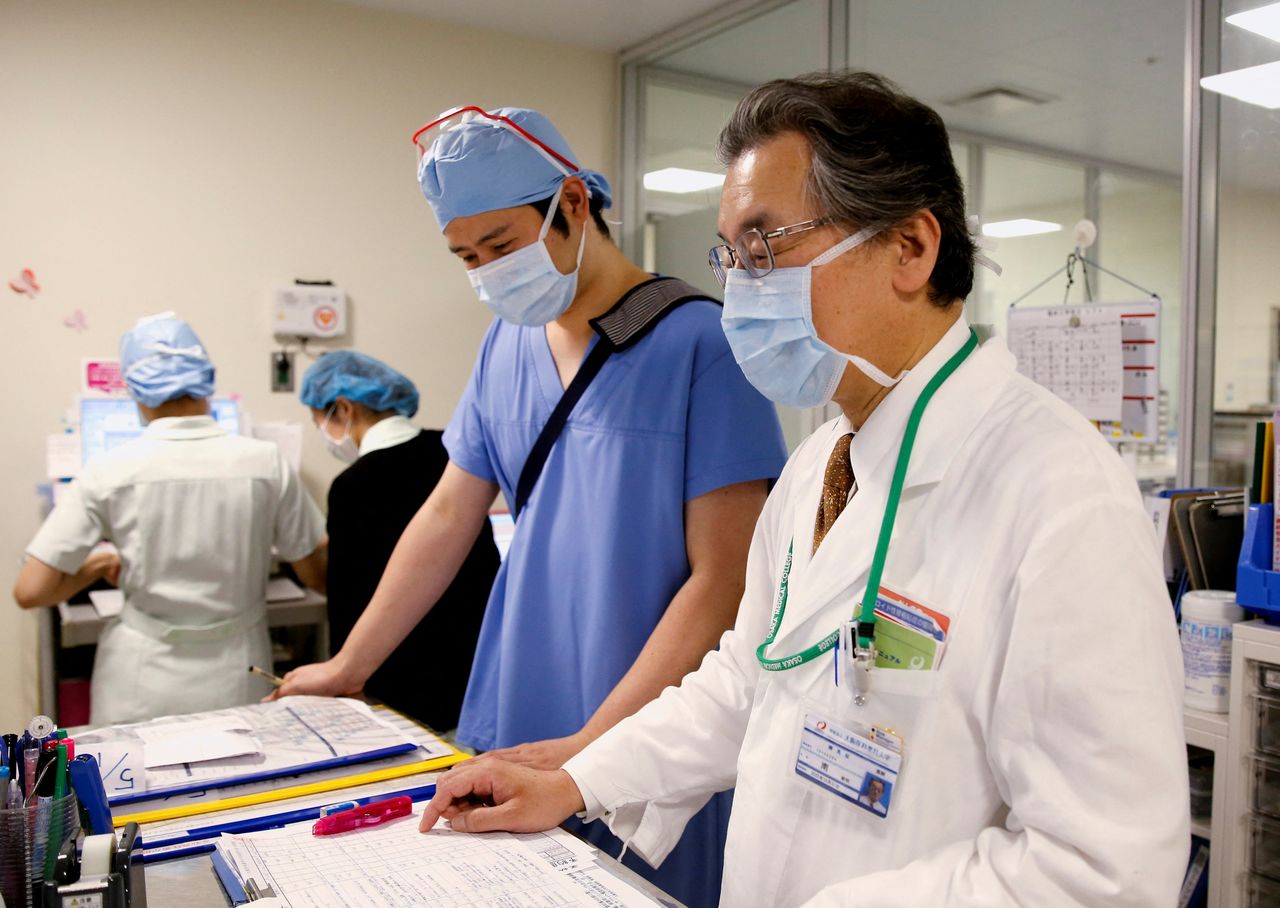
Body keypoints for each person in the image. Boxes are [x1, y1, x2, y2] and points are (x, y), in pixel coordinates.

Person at [415, 73, 1189, 907]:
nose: (742, 288)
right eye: (732, 256)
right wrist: (579, 780)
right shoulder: (822, 463)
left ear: (910, 248)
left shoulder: (1060, 496)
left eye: (765, 247)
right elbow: (748, 679)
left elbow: (1104, 870)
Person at [275, 105, 788, 906]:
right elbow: (448, 517)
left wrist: (593, 750)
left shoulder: (701, 344)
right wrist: (349, 667)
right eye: (467, 256)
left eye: (503, 246)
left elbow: (723, 579)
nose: (487, 271)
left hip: (645, 726)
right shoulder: (505, 345)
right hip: (518, 702)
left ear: (574, 205)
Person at [14, 313, 327, 725]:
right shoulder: (266, 462)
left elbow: (31, 591)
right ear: (206, 378)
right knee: (240, 783)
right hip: (239, 667)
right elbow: (317, 576)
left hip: (139, 677)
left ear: (136, 392)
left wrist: (97, 566)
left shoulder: (109, 470)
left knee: (137, 785)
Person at [299, 350, 499, 732]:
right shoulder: (453, 452)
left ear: (343, 408)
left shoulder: (354, 486)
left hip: (401, 688)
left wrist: (340, 673)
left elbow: (347, 604)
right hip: (474, 673)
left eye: (320, 421)